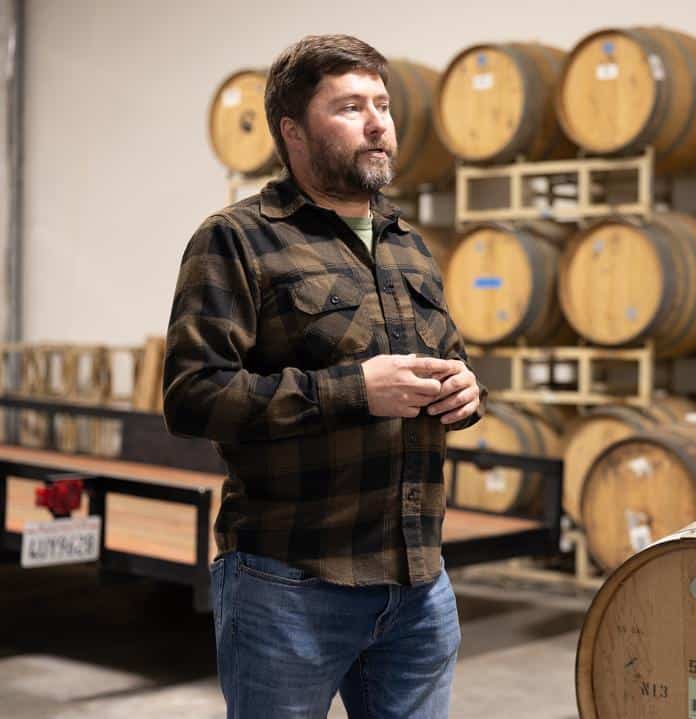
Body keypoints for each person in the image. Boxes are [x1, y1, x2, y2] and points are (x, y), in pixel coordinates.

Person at [162, 34, 485, 719]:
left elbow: (446, 357)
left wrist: (466, 389)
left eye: (383, 105)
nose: (377, 123)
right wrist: (354, 390)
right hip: (292, 584)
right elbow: (193, 395)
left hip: (419, 583)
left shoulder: (409, 244)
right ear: (293, 130)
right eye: (349, 107)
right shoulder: (239, 239)